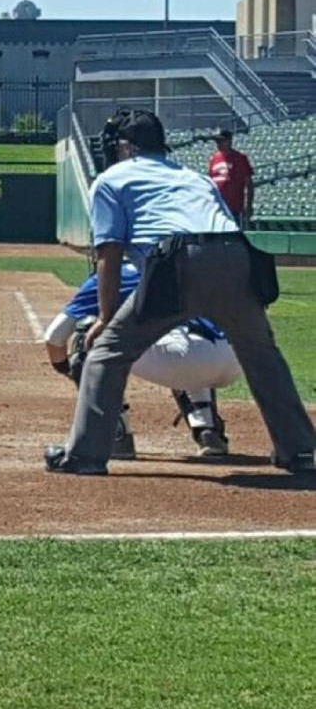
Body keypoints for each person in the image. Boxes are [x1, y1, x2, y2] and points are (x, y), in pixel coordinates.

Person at [44, 108, 315, 476]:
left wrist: (106, 319)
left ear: (125, 147)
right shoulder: (195, 177)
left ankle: (85, 455)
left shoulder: (111, 180)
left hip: (174, 262)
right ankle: (299, 452)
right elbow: (225, 228)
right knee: (264, 356)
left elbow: (108, 254)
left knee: (106, 352)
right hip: (236, 255)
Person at [44, 262, 242, 458]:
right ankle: (208, 430)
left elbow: (54, 336)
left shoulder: (116, 274)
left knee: (88, 334)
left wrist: (67, 369)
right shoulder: (192, 268)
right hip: (234, 358)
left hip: (182, 359)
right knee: (185, 340)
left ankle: (115, 435)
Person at [207, 129, 254, 228]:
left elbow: (249, 184)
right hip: (217, 208)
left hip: (234, 208)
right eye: (217, 141)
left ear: (229, 141)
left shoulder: (240, 158)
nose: (218, 144)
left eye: (221, 141)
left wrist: (248, 206)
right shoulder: (214, 158)